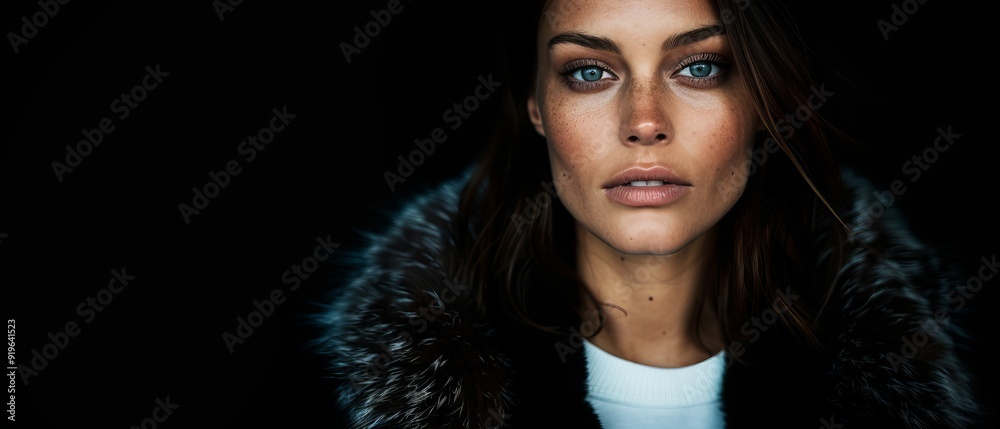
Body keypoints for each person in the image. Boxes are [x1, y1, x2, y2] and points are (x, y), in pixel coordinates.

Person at [309, 0, 985, 427]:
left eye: (698, 68)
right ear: (537, 107)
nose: (644, 123)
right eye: (588, 72)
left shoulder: (895, 373)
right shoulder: (355, 395)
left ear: (763, 102)